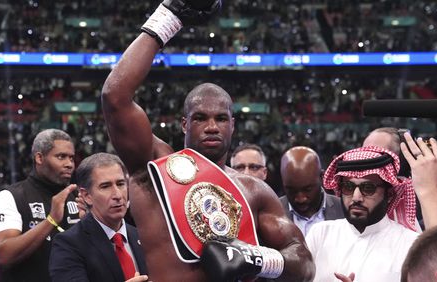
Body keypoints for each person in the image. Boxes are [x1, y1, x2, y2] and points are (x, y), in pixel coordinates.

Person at [101, 0, 314, 281]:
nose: (212, 127)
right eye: (200, 118)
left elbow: (304, 263)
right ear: (185, 124)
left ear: (233, 125)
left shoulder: (254, 191)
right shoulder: (156, 167)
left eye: (221, 119)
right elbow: (114, 97)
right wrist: (169, 17)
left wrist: (258, 258)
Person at [306, 146, 419, 282]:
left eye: (368, 188)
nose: (356, 197)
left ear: (389, 194)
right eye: (348, 187)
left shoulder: (410, 244)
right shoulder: (321, 234)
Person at [0, 129, 80, 282]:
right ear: (39, 158)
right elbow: (4, 255)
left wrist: (89, 224)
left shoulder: (78, 198)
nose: (69, 164)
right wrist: (51, 220)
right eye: (61, 157)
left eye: (71, 158)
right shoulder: (11, 196)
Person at [49, 153, 148, 282]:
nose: (117, 195)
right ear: (86, 196)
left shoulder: (143, 236)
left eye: (120, 184)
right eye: (105, 186)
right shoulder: (68, 245)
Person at [279, 146, 344, 236]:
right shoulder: (271, 213)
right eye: (291, 190)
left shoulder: (344, 210)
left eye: (307, 189)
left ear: (322, 177)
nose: (300, 199)